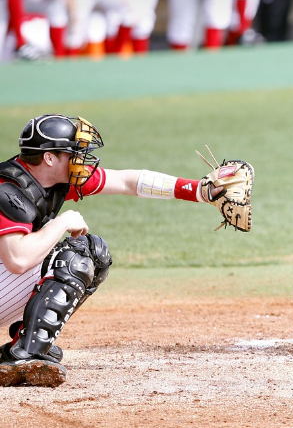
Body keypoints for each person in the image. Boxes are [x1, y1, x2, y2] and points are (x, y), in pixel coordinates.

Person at [0, 114, 226, 387]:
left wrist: (201, 191)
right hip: (8, 272)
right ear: (49, 158)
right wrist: (62, 222)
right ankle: (24, 357)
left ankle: (23, 344)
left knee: (94, 253)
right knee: (74, 259)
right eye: (73, 153)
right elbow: (17, 259)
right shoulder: (8, 190)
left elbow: (127, 181)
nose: (80, 160)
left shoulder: (51, 179)